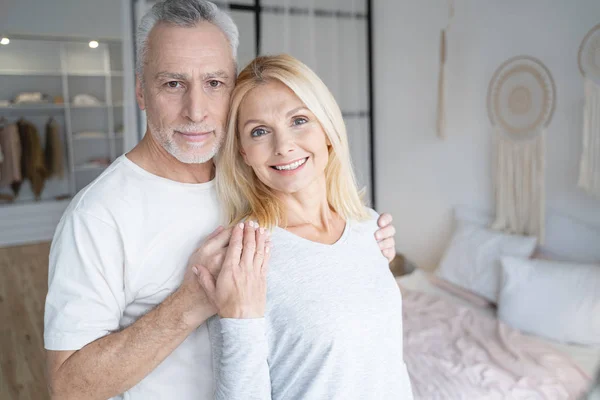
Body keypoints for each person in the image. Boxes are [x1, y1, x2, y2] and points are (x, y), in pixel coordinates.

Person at [43, 1, 397, 399]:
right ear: (142, 91)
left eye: (214, 83)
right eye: (173, 84)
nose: (196, 111)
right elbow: (68, 387)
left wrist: (365, 244)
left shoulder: (254, 170)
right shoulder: (99, 215)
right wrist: (190, 303)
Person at [200, 54, 413, 399]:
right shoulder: (245, 256)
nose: (283, 146)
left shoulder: (368, 226)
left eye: (299, 120)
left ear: (327, 130)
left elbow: (384, 362)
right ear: (242, 151)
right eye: (259, 131)